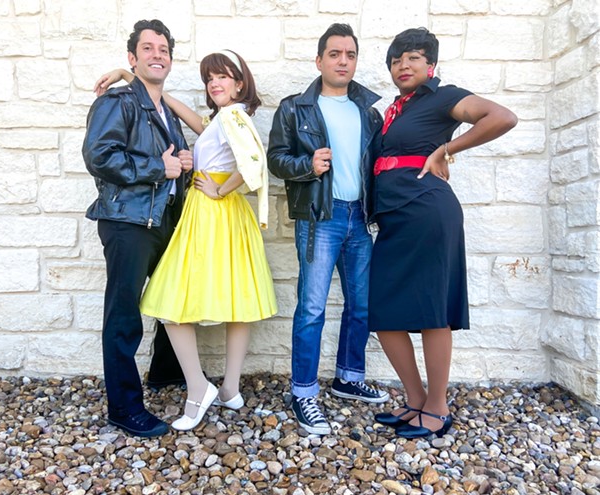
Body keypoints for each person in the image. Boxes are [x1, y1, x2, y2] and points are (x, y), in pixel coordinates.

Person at [96, 49, 277, 431]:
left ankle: (199, 389)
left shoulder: (232, 117)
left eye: (224, 76)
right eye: (209, 78)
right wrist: (130, 77)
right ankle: (229, 388)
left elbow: (255, 165)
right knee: (236, 298)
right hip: (225, 218)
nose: (215, 83)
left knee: (171, 300)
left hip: (211, 214)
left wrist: (220, 189)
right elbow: (181, 111)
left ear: (240, 83)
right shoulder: (223, 118)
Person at [369, 27, 517, 439]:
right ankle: (415, 399)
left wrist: (447, 150)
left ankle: (437, 407)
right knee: (381, 309)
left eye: (413, 57)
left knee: (432, 309)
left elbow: (502, 117)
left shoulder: (444, 96)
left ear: (430, 65)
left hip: (428, 211)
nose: (404, 64)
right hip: (396, 217)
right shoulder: (397, 109)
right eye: (397, 59)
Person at [267, 23, 389, 436]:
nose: (342, 61)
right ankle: (303, 391)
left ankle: (348, 377)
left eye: (350, 55)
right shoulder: (295, 107)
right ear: (319, 61)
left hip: (359, 216)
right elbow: (276, 159)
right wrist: (307, 165)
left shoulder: (368, 112)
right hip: (321, 218)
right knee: (313, 308)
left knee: (361, 306)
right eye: (334, 54)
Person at [82, 19, 194, 438]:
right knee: (124, 315)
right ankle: (124, 407)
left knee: (172, 302)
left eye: (163, 48)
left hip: (161, 221)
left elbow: (169, 163)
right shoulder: (119, 101)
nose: (157, 54)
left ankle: (164, 374)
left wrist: (182, 165)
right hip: (127, 223)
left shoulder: (163, 109)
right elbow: (99, 155)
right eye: (147, 48)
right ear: (132, 58)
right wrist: (157, 168)